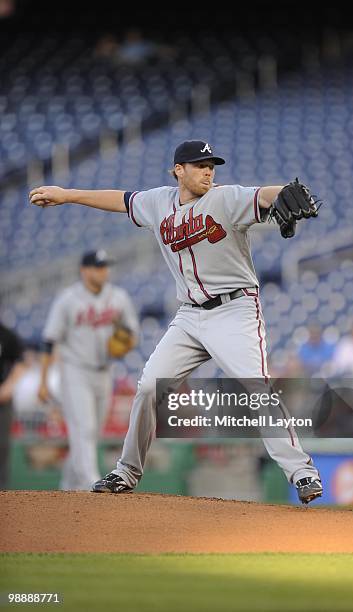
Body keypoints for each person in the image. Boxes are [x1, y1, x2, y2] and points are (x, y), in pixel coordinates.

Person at [30, 140, 323, 504]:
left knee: (257, 387)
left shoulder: (225, 198)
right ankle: (126, 471)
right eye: (200, 165)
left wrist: (286, 191)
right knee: (148, 388)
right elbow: (120, 200)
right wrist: (67, 194)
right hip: (189, 315)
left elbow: (264, 194)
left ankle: (302, 472)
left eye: (211, 165)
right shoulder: (157, 202)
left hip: (235, 311)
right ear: (178, 170)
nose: (208, 171)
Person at [37, 249, 140, 491]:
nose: (104, 271)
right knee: (84, 428)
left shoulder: (118, 297)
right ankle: (89, 485)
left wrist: (124, 343)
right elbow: (49, 341)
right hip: (74, 370)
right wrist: (43, 382)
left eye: (105, 266)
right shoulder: (68, 299)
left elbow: (133, 334)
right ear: (84, 270)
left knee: (93, 434)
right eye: (98, 266)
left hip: (104, 371)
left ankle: (68, 486)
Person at [0, 322, 26, 489]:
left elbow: (19, 362)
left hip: (2, 399)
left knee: (2, 446)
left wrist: (7, 387)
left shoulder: (6, 334)